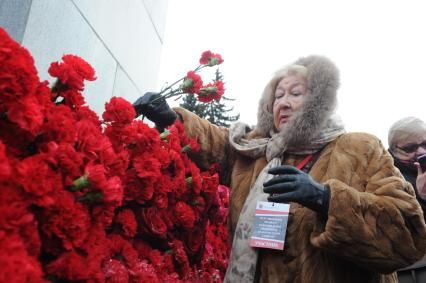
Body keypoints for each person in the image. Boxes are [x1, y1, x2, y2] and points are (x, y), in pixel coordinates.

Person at [133, 55, 426, 283]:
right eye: (278, 95)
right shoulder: (258, 151)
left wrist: (326, 199)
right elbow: (217, 145)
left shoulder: (360, 148)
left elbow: (408, 235)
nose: (283, 102)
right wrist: (171, 119)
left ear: (319, 103)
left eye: (295, 94)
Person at [388, 117, 426, 283]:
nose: (420, 151)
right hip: (410, 270)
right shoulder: (385, 176)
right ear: (394, 149)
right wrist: (422, 197)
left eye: (425, 143)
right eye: (410, 147)